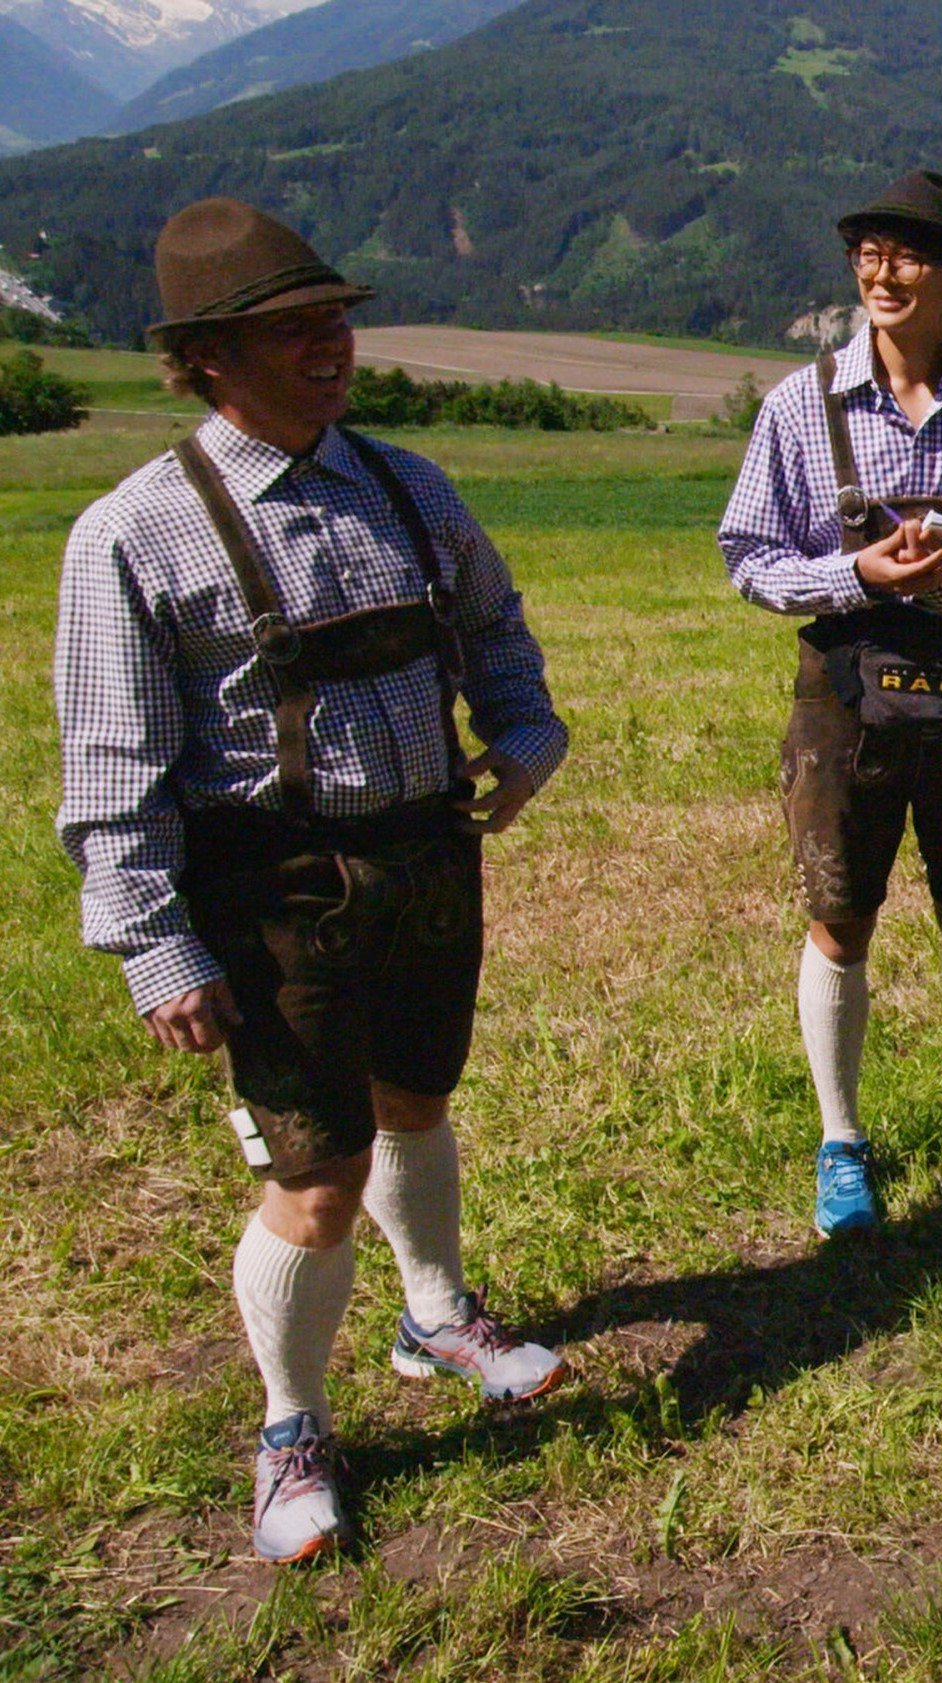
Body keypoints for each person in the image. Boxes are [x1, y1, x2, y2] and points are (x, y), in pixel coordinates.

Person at [54, 199, 573, 1564]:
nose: (332, 345)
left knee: (417, 1098)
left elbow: (493, 627)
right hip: (275, 893)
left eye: (336, 316)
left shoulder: (409, 484)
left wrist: (522, 737)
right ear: (208, 355)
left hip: (426, 860)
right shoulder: (135, 531)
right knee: (315, 1173)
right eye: (295, 329)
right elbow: (111, 769)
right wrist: (154, 942)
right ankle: (292, 1423)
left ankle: (435, 1311)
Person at [719, 169, 942, 1237]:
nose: (881, 271)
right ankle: (842, 1140)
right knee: (840, 918)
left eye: (907, 254)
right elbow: (747, 554)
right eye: (868, 253)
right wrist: (861, 578)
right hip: (843, 693)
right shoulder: (800, 404)